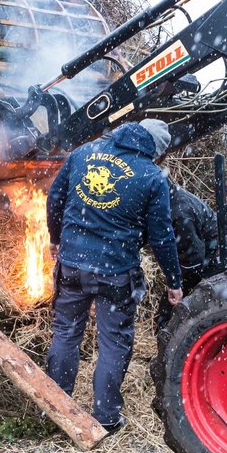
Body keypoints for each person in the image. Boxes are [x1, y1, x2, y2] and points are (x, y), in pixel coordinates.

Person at [45, 118, 183, 433]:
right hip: (116, 273)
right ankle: (106, 416)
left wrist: (56, 238)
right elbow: (162, 237)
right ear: (155, 150)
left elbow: (54, 200)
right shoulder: (150, 176)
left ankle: (54, 408)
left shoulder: (83, 153)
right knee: (114, 343)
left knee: (66, 332)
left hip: (73, 265)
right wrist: (174, 281)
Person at [152, 153, 220, 331]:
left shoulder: (180, 212)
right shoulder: (169, 197)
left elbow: (193, 260)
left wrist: (176, 282)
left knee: (171, 311)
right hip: (199, 256)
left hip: (211, 262)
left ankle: (171, 342)